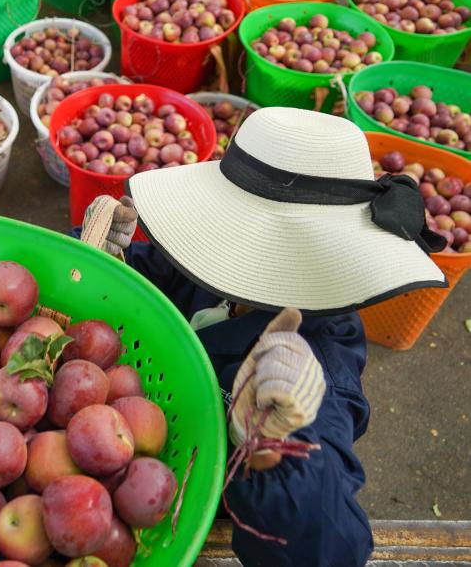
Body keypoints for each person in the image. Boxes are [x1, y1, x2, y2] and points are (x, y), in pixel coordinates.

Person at [82, 106, 447, 566]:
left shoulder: (314, 374)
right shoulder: (210, 267)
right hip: (115, 445)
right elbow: (155, 277)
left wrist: (280, 450)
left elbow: (331, 550)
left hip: (188, 503)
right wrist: (108, 265)